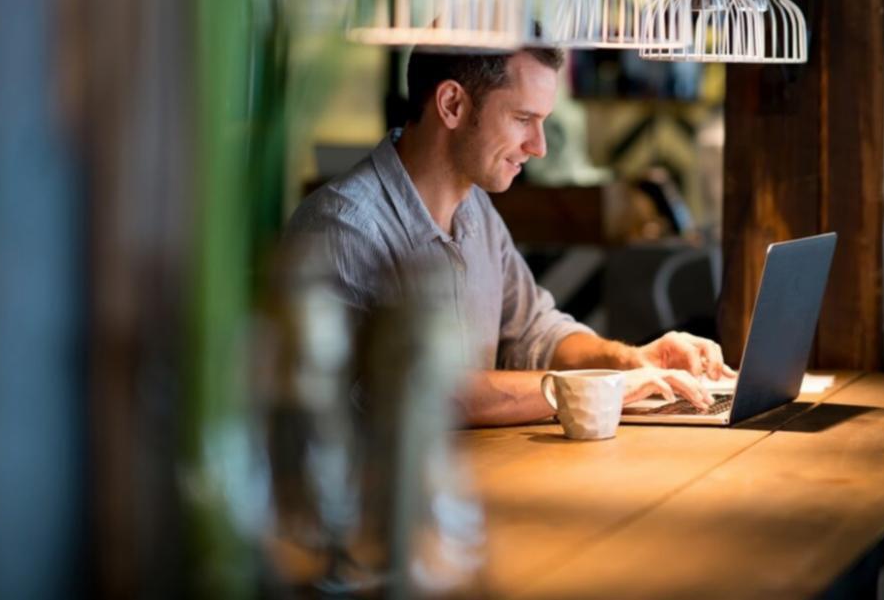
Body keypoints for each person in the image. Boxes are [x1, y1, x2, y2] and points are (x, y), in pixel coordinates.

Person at [286, 47, 734, 426]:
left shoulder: (476, 207)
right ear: (452, 105)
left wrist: (633, 360)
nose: (539, 146)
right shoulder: (341, 227)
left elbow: (534, 331)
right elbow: (416, 392)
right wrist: (600, 388)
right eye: (523, 118)